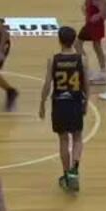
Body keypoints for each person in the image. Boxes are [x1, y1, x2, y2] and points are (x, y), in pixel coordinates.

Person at [39, 26, 89, 192]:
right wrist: (86, 102)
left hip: (59, 103)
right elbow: (86, 84)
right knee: (77, 137)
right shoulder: (82, 60)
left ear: (59, 40)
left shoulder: (53, 60)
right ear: (74, 40)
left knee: (63, 140)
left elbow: (47, 84)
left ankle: (67, 174)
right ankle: (75, 169)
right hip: (75, 102)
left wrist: (42, 103)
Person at [75, 0, 106, 83]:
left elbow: (104, 3)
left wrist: (99, 14)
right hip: (89, 21)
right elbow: (88, 1)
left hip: (96, 22)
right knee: (78, 43)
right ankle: (87, 69)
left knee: (97, 46)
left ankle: (103, 72)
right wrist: (85, 6)